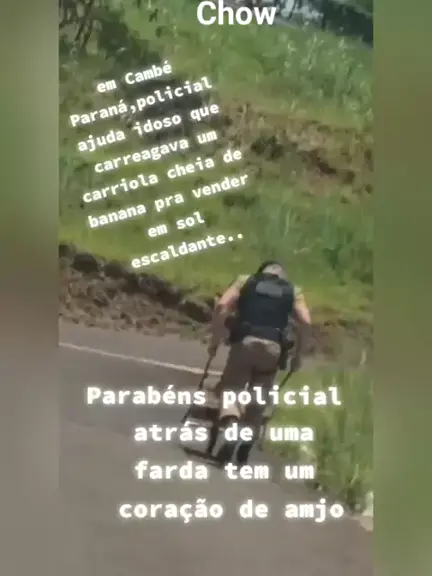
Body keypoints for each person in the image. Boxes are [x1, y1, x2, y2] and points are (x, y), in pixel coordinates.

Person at [206, 260, 311, 462]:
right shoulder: (293, 291)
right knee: (258, 399)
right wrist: (298, 356)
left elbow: (222, 306)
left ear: (261, 272)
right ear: (282, 275)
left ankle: (231, 422)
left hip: (244, 344)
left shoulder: (245, 281)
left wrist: (215, 341)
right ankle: (246, 440)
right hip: (273, 349)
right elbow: (305, 322)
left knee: (231, 389)